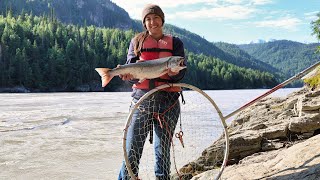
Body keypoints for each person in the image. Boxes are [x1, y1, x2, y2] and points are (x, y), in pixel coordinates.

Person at [118, 4, 187, 180]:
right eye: (148, 19)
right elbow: (132, 71)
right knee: (132, 149)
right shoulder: (137, 41)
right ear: (144, 23)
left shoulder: (176, 43)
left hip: (168, 101)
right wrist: (129, 77)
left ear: (162, 20)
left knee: (162, 151)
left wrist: (173, 75)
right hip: (141, 101)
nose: (152, 22)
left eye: (156, 18)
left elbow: (181, 74)